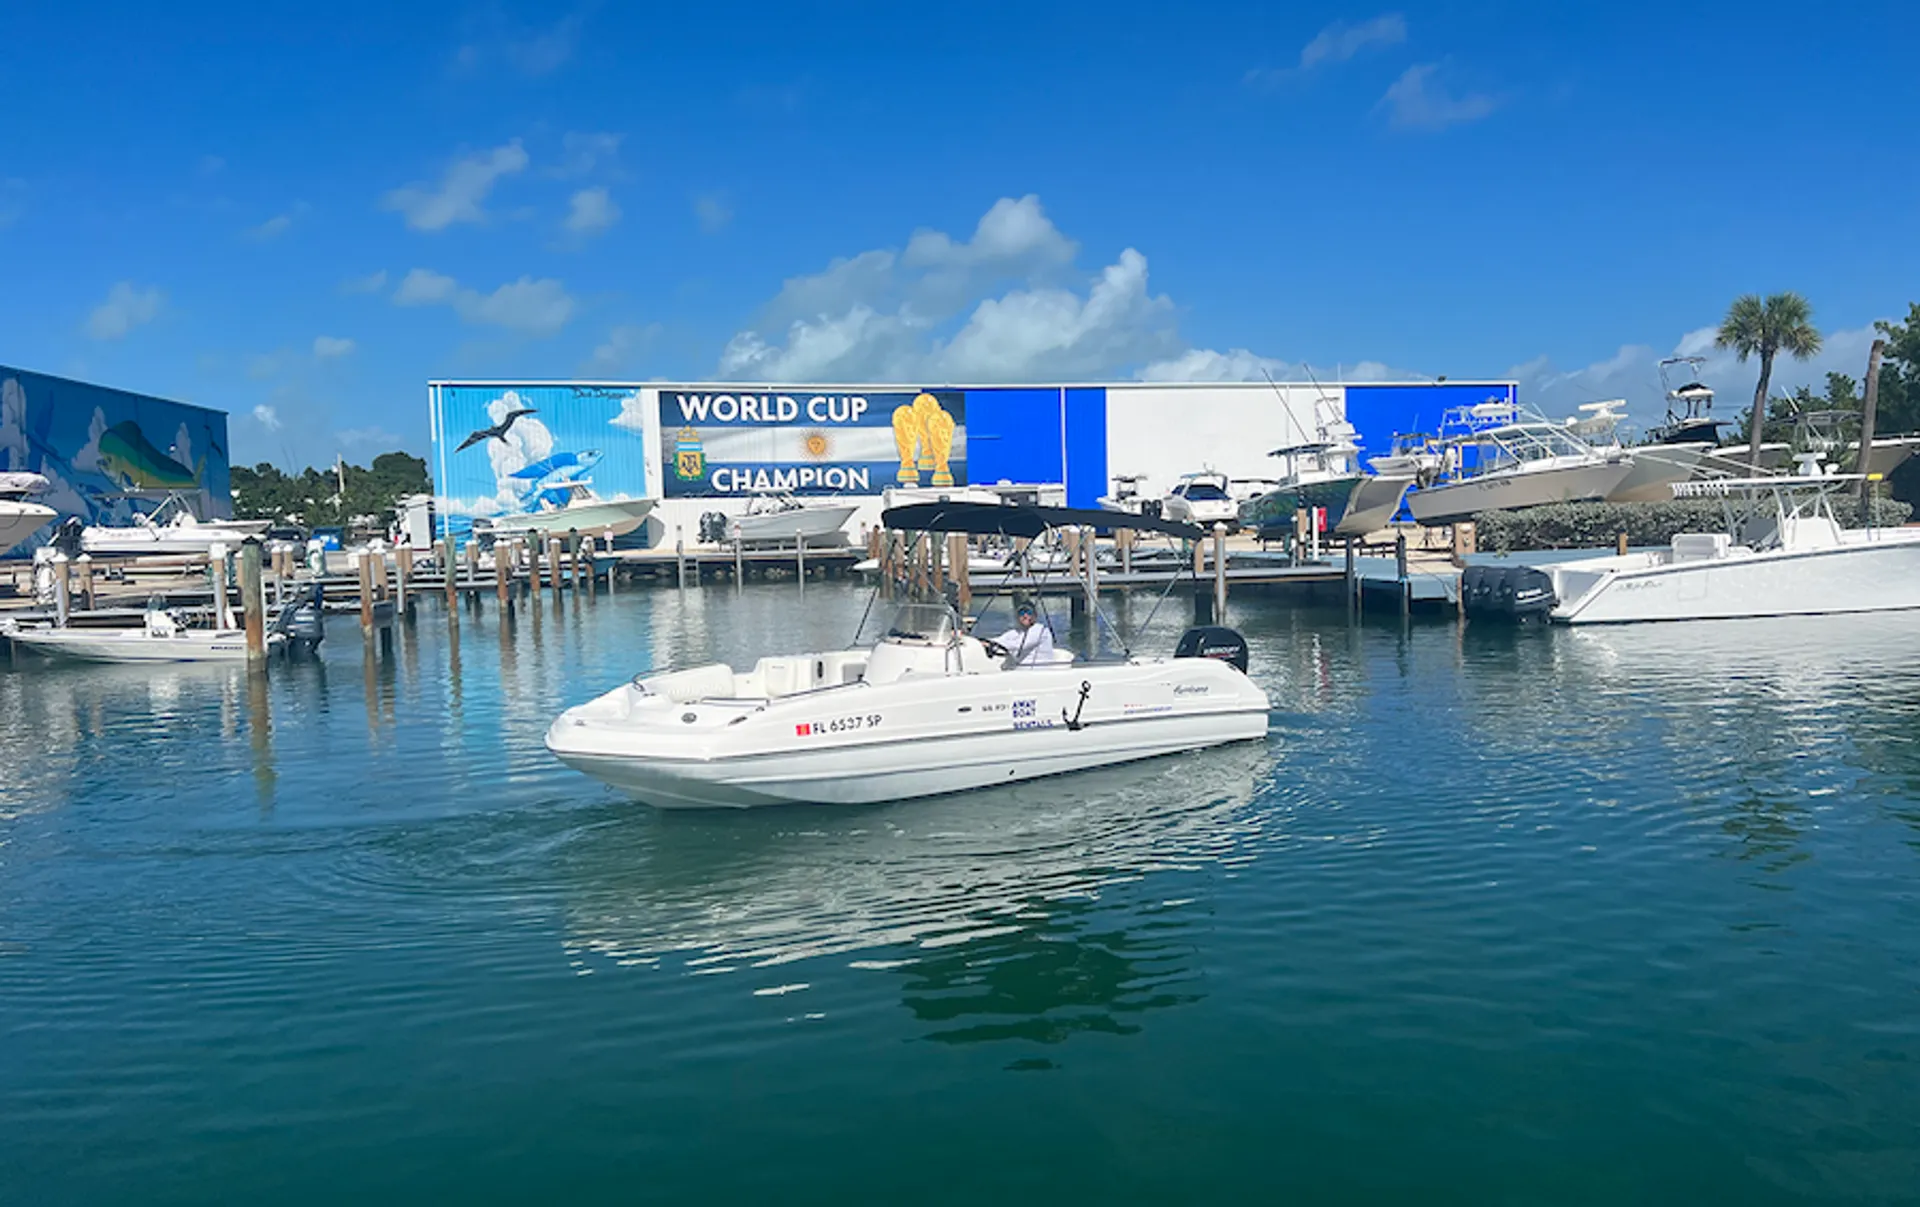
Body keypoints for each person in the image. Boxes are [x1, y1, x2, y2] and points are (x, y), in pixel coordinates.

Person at [983, 598, 1055, 666]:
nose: (1025, 615)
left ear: (1035, 615)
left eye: (1029, 612)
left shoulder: (1040, 630)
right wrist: (984, 642)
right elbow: (1000, 640)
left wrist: (993, 645)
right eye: (1022, 613)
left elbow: (1019, 645)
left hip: (1041, 669)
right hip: (1022, 669)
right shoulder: (1016, 632)